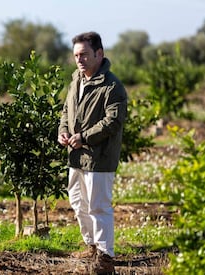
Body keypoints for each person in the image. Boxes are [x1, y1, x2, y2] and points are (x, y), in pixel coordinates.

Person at [58, 31, 127, 274]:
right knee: (78, 203)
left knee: (99, 207)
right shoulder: (76, 79)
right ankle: (91, 246)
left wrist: (84, 137)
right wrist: (63, 131)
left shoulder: (112, 86)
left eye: (85, 54)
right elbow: (67, 110)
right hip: (76, 156)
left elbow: (113, 122)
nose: (80, 60)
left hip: (99, 158)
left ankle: (106, 258)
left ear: (99, 53)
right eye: (76, 55)